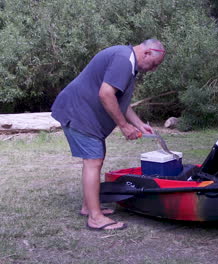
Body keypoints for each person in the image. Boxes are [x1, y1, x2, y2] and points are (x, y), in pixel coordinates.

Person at [51, 39, 165, 230]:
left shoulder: (128, 63)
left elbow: (120, 101)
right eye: (154, 64)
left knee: (95, 159)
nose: (153, 69)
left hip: (82, 112)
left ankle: (89, 207)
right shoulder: (123, 59)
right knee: (93, 161)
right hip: (78, 111)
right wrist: (124, 126)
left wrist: (138, 124)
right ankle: (95, 218)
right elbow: (106, 94)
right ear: (147, 53)